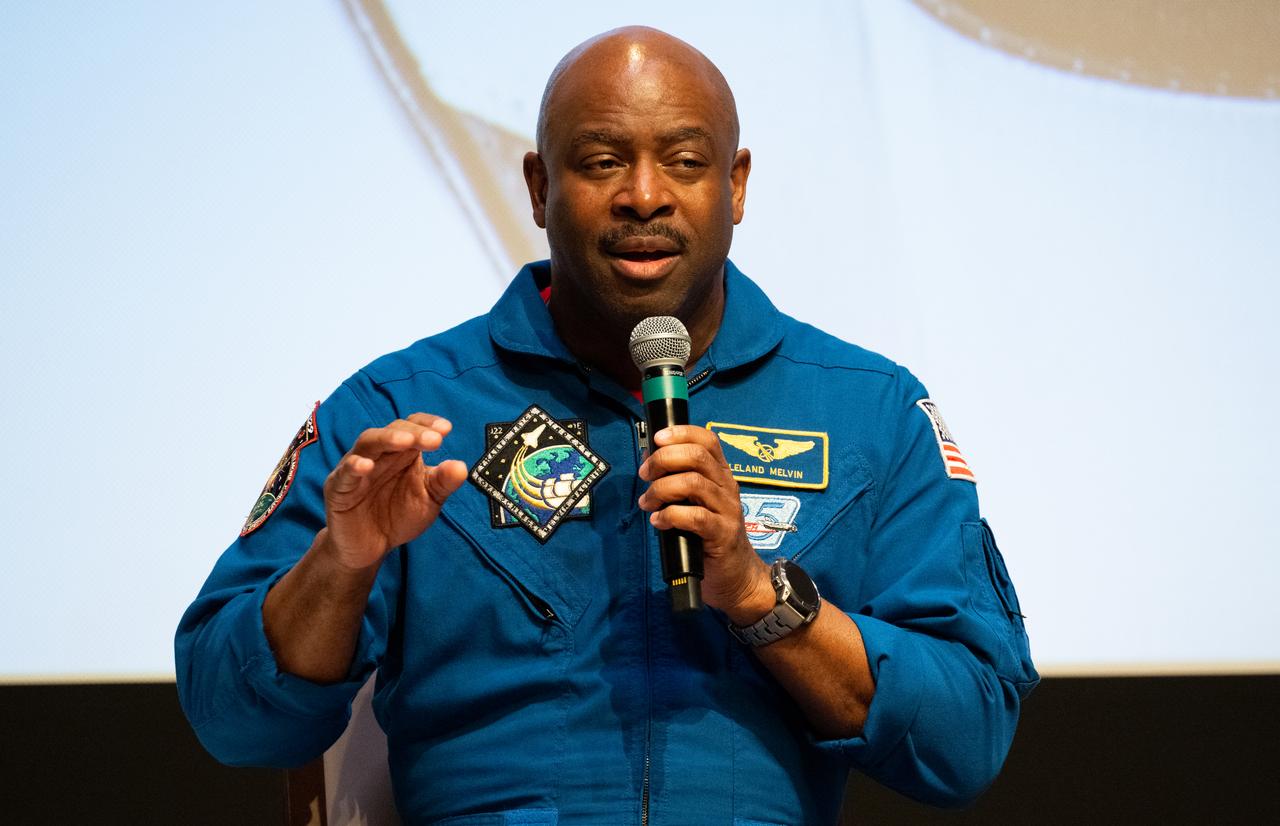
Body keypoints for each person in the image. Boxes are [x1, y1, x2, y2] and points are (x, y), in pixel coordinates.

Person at [176, 26, 1037, 825]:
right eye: (600, 163)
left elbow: (965, 741)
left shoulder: (868, 409)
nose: (644, 197)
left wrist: (758, 596)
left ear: (734, 186)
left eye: (685, 162)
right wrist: (342, 563)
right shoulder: (403, 411)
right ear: (540, 187)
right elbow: (232, 723)